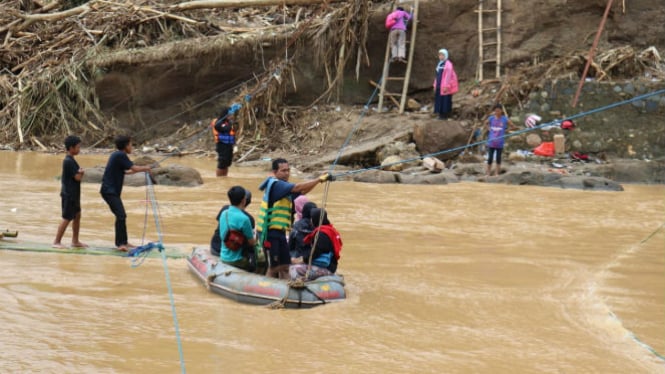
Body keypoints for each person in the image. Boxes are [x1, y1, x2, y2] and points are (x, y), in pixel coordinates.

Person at [257, 158, 332, 279]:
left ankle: (286, 289)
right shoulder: (276, 184)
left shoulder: (285, 187)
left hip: (280, 232)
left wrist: (319, 182)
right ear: (275, 172)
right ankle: (267, 291)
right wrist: (318, 179)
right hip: (269, 233)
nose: (287, 173)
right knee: (274, 268)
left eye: (288, 170)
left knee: (285, 266)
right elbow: (297, 188)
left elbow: (301, 191)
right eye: (283, 171)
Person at [100, 135, 153, 251]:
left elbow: (126, 171)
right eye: (131, 144)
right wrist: (146, 168)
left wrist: (139, 170)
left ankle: (123, 242)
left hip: (110, 191)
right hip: (109, 191)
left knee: (121, 215)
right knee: (121, 215)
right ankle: (121, 244)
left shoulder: (117, 155)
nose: (132, 147)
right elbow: (133, 168)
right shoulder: (120, 155)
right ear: (125, 146)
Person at [53, 135, 87, 249]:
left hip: (74, 194)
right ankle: (56, 242)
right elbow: (77, 177)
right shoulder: (68, 161)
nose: (79, 149)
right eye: (78, 147)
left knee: (77, 216)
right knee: (67, 218)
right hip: (69, 194)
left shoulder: (71, 160)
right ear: (71, 148)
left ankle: (75, 241)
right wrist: (81, 172)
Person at [289, 208, 342, 281]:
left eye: (312, 219)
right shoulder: (329, 230)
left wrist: (300, 260)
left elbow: (314, 254)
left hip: (326, 268)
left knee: (292, 269)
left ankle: (300, 286)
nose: (311, 221)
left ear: (315, 219)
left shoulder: (321, 235)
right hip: (331, 266)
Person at [219, 186, 257, 271]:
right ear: (244, 200)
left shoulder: (224, 213)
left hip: (223, 256)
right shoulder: (244, 219)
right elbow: (251, 242)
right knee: (257, 258)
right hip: (238, 260)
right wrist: (257, 238)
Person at [210, 188, 254, 256]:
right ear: (244, 201)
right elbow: (250, 241)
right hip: (231, 253)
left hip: (214, 247)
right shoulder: (248, 219)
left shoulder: (224, 210)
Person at [486, 104, 517, 176]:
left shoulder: (504, 119)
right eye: (496, 111)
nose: (497, 112)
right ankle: (488, 173)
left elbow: (513, 126)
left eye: (498, 111)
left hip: (500, 142)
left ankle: (497, 173)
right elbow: (486, 123)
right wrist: (489, 129)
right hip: (491, 141)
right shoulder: (491, 118)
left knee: (498, 158)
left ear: (501, 111)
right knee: (490, 158)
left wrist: (506, 130)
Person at [211, 105, 239, 177]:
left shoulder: (228, 122)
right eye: (229, 114)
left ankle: (224, 177)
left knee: (227, 163)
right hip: (221, 145)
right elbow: (223, 128)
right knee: (222, 162)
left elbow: (232, 134)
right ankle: (219, 178)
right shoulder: (218, 122)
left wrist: (235, 145)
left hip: (229, 145)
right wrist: (228, 121)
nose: (231, 116)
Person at [433, 48, 459, 120]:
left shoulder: (448, 65)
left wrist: (446, 86)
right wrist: (435, 85)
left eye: (442, 55)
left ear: (446, 55)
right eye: (440, 55)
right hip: (439, 85)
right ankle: (440, 114)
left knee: (445, 100)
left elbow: (448, 76)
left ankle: (445, 115)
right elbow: (437, 75)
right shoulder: (439, 64)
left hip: (445, 86)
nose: (441, 56)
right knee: (439, 100)